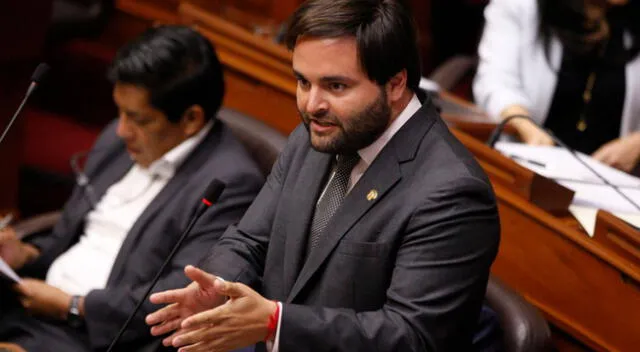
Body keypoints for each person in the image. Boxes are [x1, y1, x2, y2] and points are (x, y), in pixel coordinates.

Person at [146, 1, 501, 351]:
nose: (311, 104)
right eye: (303, 82)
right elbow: (251, 240)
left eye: (335, 86)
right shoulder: (315, 135)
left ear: (395, 84)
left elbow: (412, 337)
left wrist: (276, 323)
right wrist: (219, 286)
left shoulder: (452, 193)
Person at [0, 25, 264, 351]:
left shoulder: (230, 184)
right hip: (32, 300)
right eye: (120, 111)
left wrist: (73, 305)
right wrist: (26, 255)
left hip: (93, 335)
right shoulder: (120, 139)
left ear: (191, 119)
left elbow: (180, 295)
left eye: (139, 119)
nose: (122, 130)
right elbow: (72, 236)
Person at [473, 0, 640, 172]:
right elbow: (496, 82)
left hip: (611, 185)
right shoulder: (521, 6)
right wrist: (527, 127)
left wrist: (637, 142)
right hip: (525, 168)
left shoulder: (629, 22)